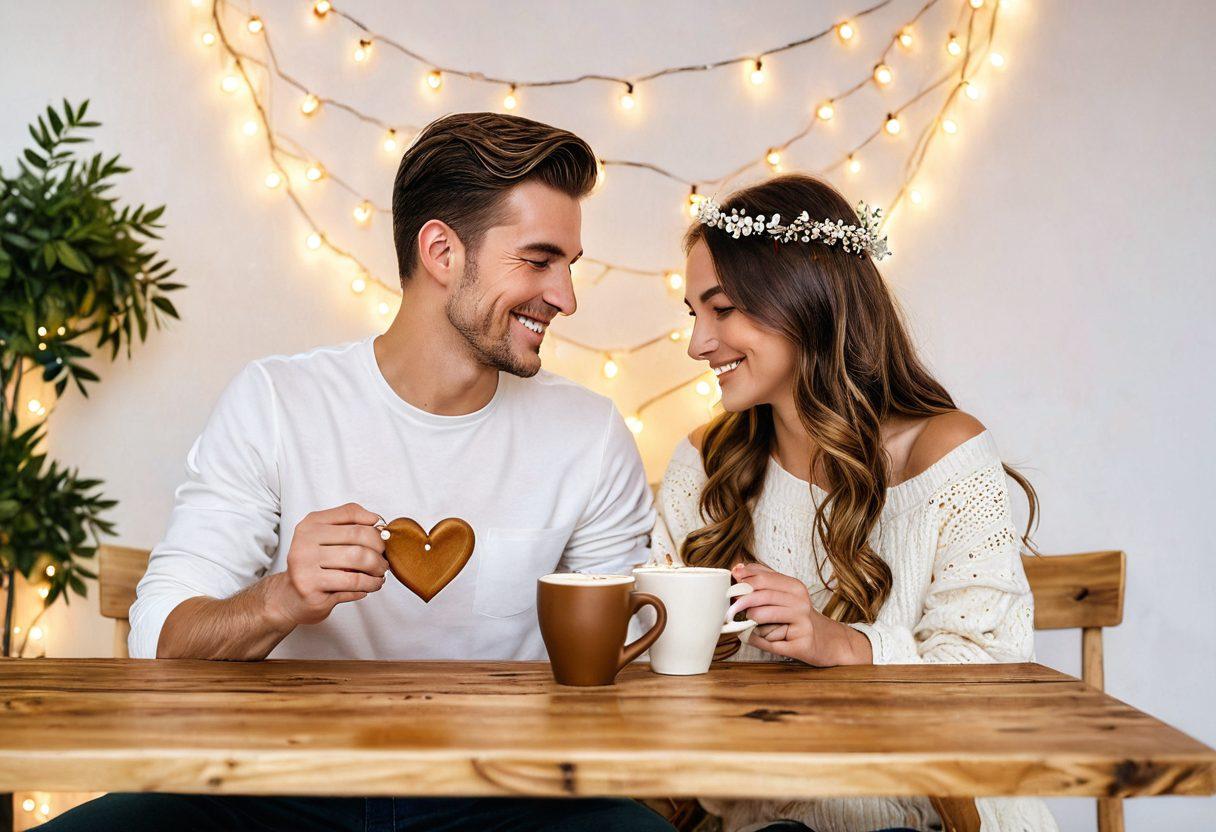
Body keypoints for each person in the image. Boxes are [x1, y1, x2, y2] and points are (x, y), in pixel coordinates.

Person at [42, 113, 672, 832]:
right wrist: (283, 598)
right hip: (272, 786)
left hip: (509, 798)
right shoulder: (278, 402)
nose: (567, 296)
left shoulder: (589, 434)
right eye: (538, 260)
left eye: (570, 263)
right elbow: (159, 642)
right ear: (440, 250)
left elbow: (616, 679)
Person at [651, 174, 1058, 832]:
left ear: (804, 302)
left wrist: (837, 643)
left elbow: (990, 683)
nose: (699, 343)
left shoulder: (944, 455)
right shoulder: (705, 464)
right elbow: (653, 669)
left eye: (721, 309)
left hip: (937, 820)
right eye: (693, 315)